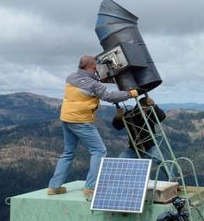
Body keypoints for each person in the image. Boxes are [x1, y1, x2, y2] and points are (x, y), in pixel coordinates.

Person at [47, 55, 138, 196]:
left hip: (66, 118)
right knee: (99, 151)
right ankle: (91, 187)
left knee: (68, 153)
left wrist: (96, 68)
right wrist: (130, 94)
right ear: (92, 67)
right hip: (80, 121)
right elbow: (109, 96)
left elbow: (88, 80)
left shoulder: (70, 77)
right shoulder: (93, 84)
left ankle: (54, 187)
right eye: (95, 67)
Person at [112, 96, 175, 179]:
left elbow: (161, 117)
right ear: (139, 106)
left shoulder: (150, 115)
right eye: (145, 108)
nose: (147, 110)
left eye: (148, 108)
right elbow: (117, 126)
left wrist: (154, 105)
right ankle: (121, 183)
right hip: (134, 148)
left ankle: (173, 179)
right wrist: (117, 117)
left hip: (150, 146)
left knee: (162, 161)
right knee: (120, 161)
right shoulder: (130, 115)